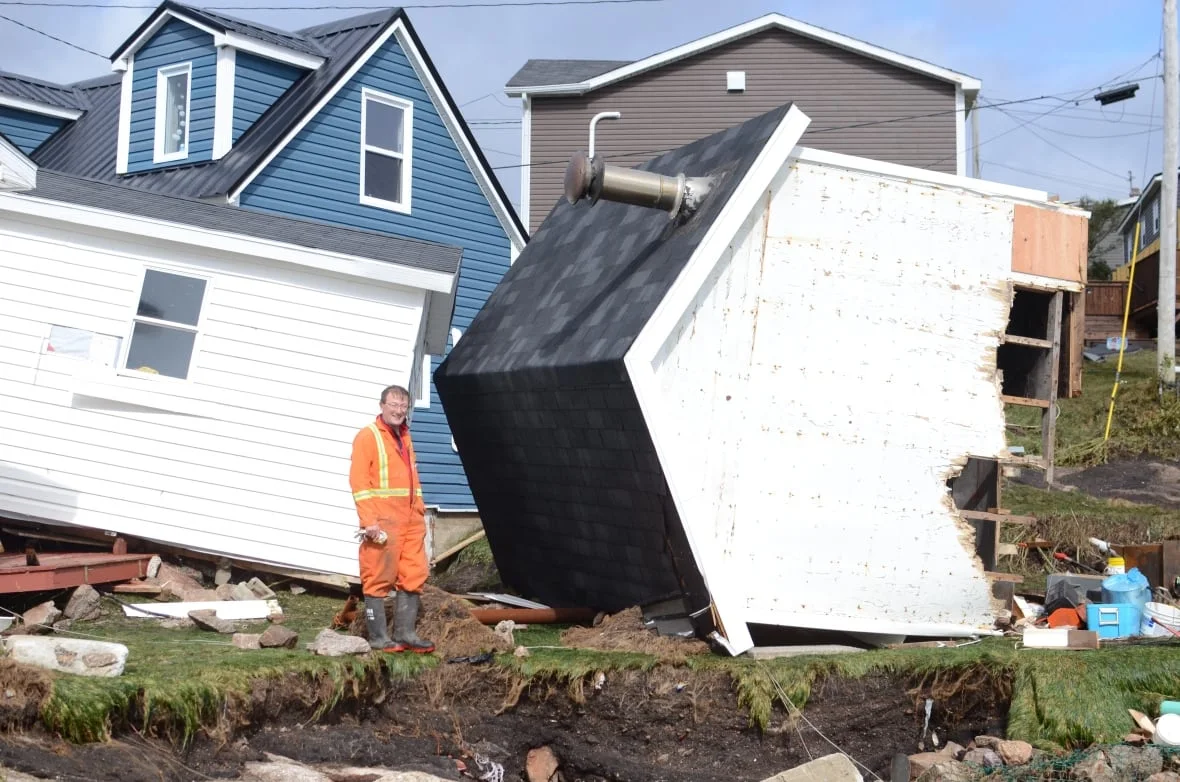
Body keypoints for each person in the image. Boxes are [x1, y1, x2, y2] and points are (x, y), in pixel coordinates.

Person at [349, 384, 435, 653]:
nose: (399, 411)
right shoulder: (369, 436)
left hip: (410, 520)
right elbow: (359, 482)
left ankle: (405, 634)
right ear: (382, 406)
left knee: (413, 573)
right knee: (377, 575)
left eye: (403, 406)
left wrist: (419, 511)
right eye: (393, 405)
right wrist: (368, 521)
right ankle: (378, 637)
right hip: (383, 521)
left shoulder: (404, 435)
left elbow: (411, 480)